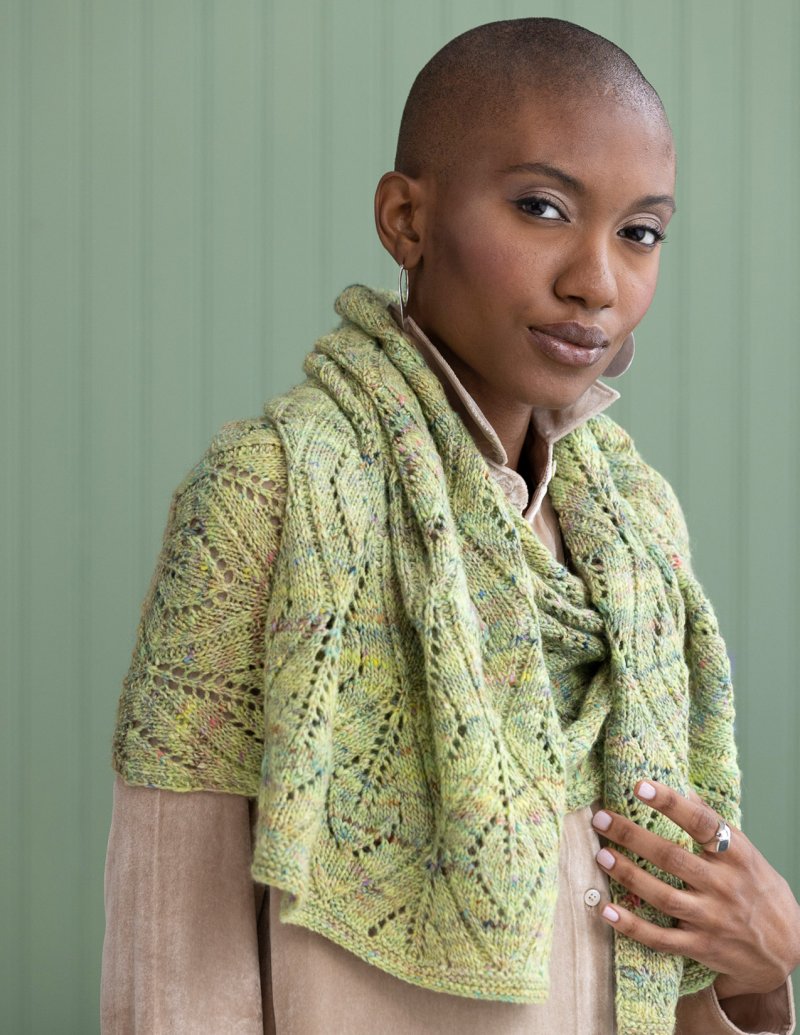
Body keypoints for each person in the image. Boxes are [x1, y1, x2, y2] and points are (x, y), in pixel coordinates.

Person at [101, 17, 799, 1035]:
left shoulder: (637, 528)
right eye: (541, 208)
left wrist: (762, 966)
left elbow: (666, 969)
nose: (596, 281)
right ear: (405, 219)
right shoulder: (268, 497)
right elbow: (173, 978)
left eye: (639, 232)